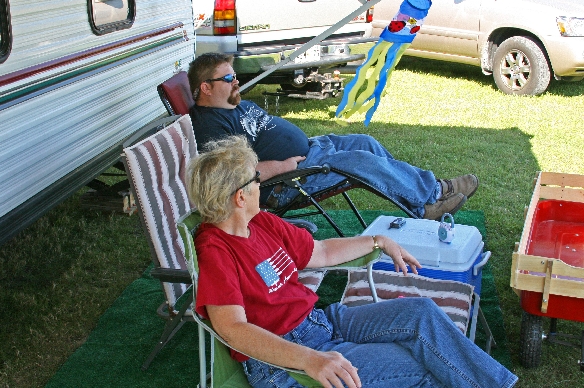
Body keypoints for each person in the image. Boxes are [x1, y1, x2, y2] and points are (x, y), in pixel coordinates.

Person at [185, 135, 518, 388]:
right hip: (283, 362)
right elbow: (233, 329)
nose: (262, 183)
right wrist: (309, 360)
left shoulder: (262, 222)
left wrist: (378, 240)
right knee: (423, 368)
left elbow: (321, 252)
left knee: (422, 313)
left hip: (318, 323)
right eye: (255, 178)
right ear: (241, 196)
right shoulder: (216, 250)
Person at [187, 52, 479, 221]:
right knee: (360, 161)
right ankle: (434, 194)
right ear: (206, 88)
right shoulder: (210, 128)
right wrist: (285, 167)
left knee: (366, 142)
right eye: (228, 78)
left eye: (234, 75)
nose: (236, 80)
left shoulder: (232, 103)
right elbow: (235, 176)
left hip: (312, 149)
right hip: (289, 181)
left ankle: (421, 204)